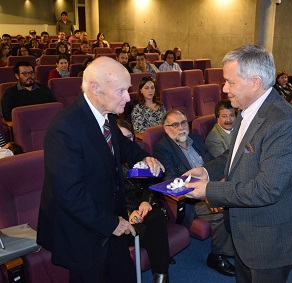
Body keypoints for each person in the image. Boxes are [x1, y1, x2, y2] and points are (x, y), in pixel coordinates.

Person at [37, 56, 165, 283]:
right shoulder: (65, 129)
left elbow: (123, 145)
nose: (128, 97)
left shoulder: (105, 116)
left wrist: (145, 156)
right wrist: (112, 223)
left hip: (109, 217)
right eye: (121, 91)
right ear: (95, 88)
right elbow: (69, 195)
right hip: (83, 229)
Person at [185, 45, 292, 282]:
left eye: (230, 82)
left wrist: (207, 190)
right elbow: (236, 154)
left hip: (269, 239)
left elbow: (266, 189)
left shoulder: (283, 124)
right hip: (244, 230)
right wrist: (206, 171)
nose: (224, 88)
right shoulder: (246, 110)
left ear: (255, 82)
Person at [154, 109, 235, 277]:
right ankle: (216, 255)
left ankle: (234, 247)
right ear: (166, 128)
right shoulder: (162, 148)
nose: (181, 127)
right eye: (175, 124)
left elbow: (213, 162)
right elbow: (171, 180)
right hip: (191, 199)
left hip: (211, 188)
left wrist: (218, 184)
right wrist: (208, 196)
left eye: (183, 122)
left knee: (237, 201)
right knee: (225, 211)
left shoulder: (196, 139)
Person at [117, 119, 170, 283]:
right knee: (153, 233)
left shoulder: (140, 155)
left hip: (142, 205)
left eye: (129, 137)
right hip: (120, 213)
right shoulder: (108, 162)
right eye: (122, 138)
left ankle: (161, 277)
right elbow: (110, 195)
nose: (127, 142)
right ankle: (162, 260)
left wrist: (146, 201)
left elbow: (151, 182)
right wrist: (128, 213)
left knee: (157, 218)